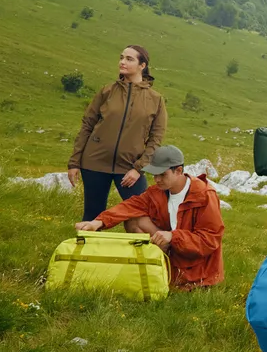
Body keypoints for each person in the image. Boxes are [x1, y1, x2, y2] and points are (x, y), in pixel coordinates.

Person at [75, 145, 225, 291]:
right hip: (170, 249)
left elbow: (209, 240)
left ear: (178, 171)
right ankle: (154, 266)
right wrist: (97, 222)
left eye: (162, 174)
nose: (157, 179)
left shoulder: (204, 195)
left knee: (144, 224)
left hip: (196, 266)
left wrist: (173, 237)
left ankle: (165, 271)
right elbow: (130, 206)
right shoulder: (157, 191)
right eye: (154, 174)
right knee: (133, 219)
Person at [67, 45, 167, 231]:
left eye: (129, 59)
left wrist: (138, 168)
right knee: (93, 217)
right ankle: (89, 257)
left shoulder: (155, 99)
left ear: (142, 65)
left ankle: (139, 257)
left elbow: (156, 138)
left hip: (130, 168)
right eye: (121, 57)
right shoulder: (107, 92)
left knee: (141, 215)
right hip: (94, 163)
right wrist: (74, 162)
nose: (122, 62)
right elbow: (87, 126)